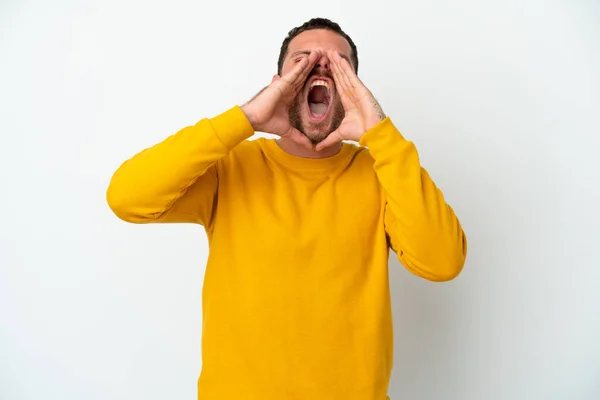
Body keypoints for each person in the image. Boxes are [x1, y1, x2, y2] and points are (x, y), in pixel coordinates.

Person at [106, 17, 467, 400]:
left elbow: (442, 261)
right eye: (303, 61)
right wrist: (245, 119)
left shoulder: (382, 173)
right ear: (280, 82)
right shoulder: (232, 166)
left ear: (354, 89)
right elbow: (127, 198)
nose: (321, 66)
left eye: (338, 64)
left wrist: (381, 134)